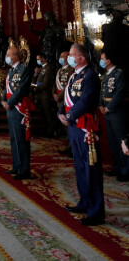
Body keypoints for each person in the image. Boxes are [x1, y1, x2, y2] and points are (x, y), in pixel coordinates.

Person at [58, 44, 105, 226]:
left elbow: (85, 101)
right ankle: (84, 202)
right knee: (80, 167)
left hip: (86, 128)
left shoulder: (90, 76)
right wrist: (61, 113)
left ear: (81, 58)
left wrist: (69, 116)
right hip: (73, 127)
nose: (69, 58)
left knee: (91, 169)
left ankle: (96, 212)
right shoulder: (73, 75)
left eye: (71, 55)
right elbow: (67, 98)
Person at [1, 46, 33, 180]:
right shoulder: (11, 71)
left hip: (18, 108)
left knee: (21, 139)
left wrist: (10, 102)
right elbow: (7, 87)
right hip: (10, 108)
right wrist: (3, 100)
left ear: (16, 56)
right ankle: (16, 165)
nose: (7, 57)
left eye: (9, 54)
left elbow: (21, 89)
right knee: (14, 138)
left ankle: (24, 170)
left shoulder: (23, 69)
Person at [99, 49, 129, 181]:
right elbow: (102, 91)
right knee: (112, 142)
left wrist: (108, 108)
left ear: (108, 61)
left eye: (102, 58)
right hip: (107, 111)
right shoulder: (106, 74)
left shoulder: (119, 73)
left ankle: (126, 170)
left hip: (116, 112)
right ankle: (117, 166)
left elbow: (119, 93)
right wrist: (100, 105)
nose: (101, 61)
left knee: (122, 141)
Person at [54, 50, 74, 156]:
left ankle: (70, 147)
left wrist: (59, 96)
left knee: (68, 124)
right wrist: (54, 94)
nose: (61, 58)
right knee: (64, 126)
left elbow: (67, 86)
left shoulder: (72, 70)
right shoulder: (60, 70)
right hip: (59, 101)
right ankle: (67, 146)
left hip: (66, 100)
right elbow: (54, 84)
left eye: (63, 56)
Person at [32, 52, 56, 137]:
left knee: (47, 113)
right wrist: (35, 74)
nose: (38, 61)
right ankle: (44, 130)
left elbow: (45, 83)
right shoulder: (41, 69)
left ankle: (50, 132)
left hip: (45, 94)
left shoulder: (48, 68)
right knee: (42, 114)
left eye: (38, 59)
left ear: (43, 58)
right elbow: (36, 80)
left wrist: (36, 88)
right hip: (39, 94)